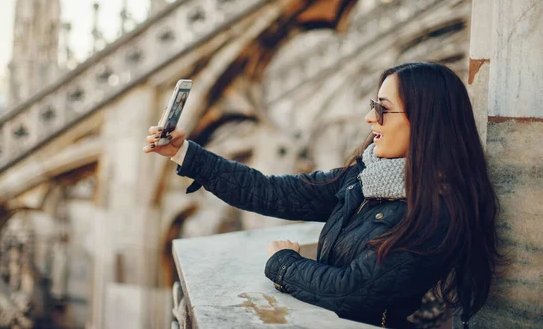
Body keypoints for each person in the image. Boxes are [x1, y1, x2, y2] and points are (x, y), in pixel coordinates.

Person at [144, 62, 503, 329]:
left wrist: (283, 262)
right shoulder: (368, 175)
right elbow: (273, 193)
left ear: (425, 121)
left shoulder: (436, 209)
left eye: (381, 108)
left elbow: (352, 292)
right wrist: (184, 152)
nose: (369, 118)